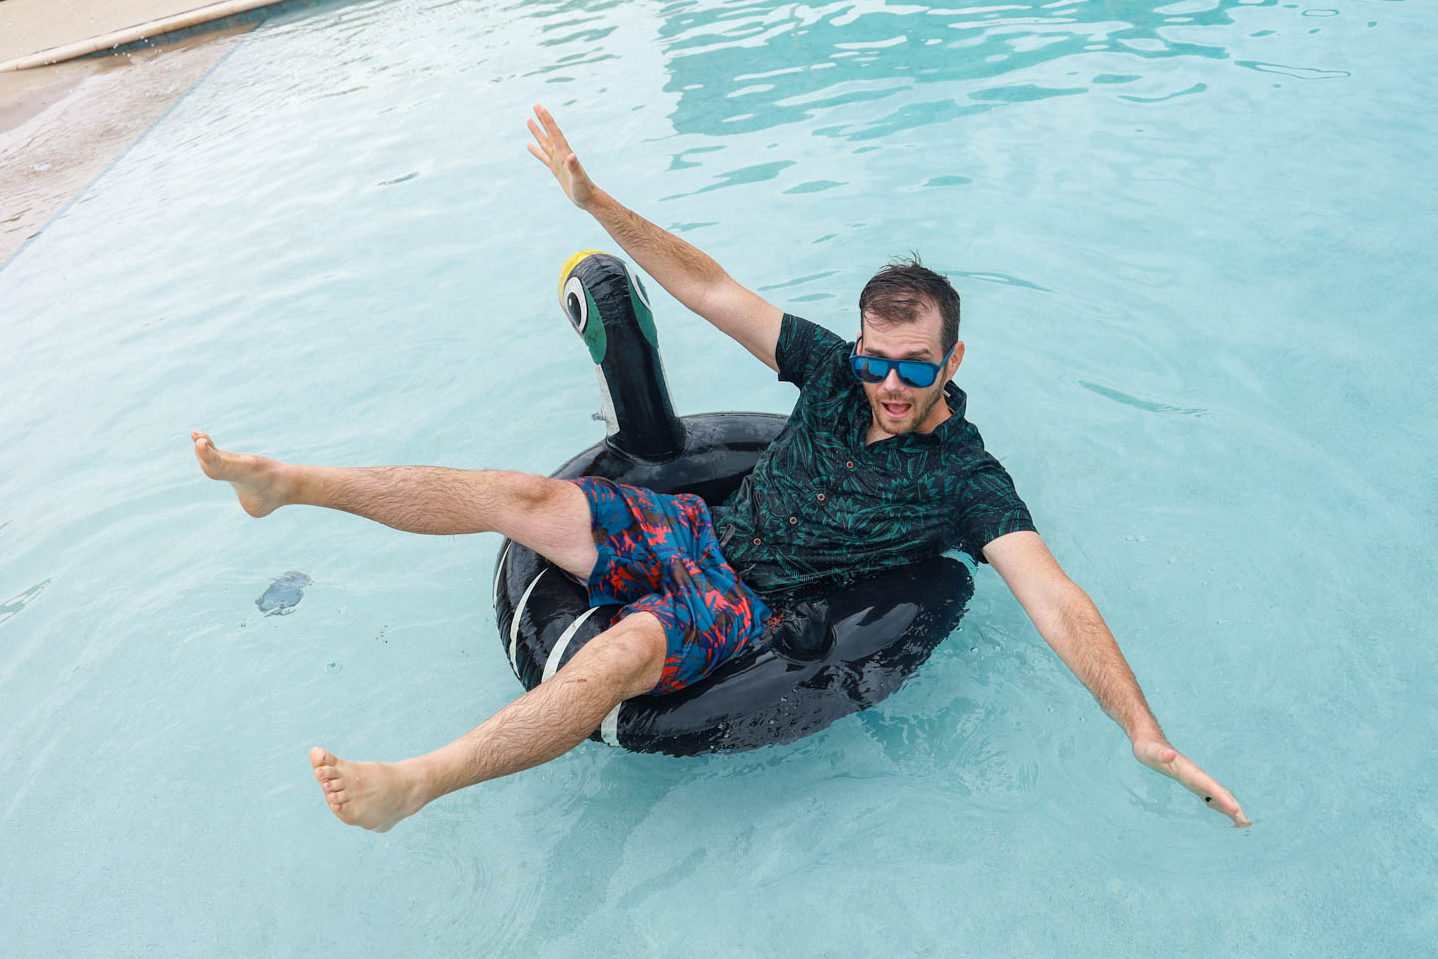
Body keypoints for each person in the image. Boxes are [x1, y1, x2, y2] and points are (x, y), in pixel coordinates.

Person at [191, 104, 1248, 832]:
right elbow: (708, 287)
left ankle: (415, 782)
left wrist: (1142, 730)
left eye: (910, 365)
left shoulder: (966, 481)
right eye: (876, 358)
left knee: (615, 657)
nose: (886, 381)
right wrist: (594, 201)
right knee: (517, 497)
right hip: (698, 527)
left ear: (950, 360)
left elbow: (1054, 596)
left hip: (744, 599)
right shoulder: (833, 370)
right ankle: (283, 481)